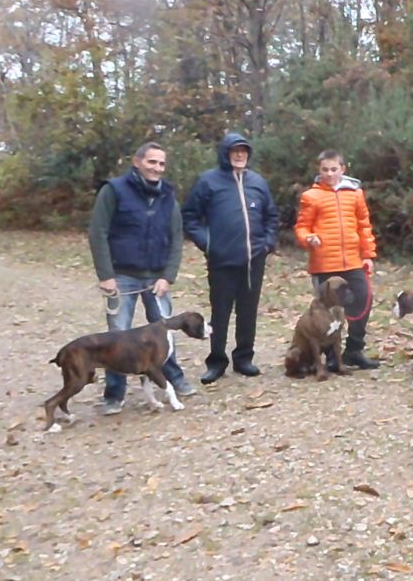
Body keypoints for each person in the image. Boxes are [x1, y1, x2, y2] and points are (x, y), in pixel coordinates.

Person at [88, 141, 197, 414]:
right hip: (121, 275)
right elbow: (97, 233)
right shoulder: (113, 191)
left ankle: (173, 379)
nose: (157, 168)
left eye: (161, 163)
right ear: (137, 162)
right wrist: (106, 274)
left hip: (156, 278)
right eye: (152, 162)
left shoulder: (168, 196)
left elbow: (176, 239)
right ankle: (114, 394)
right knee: (117, 337)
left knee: (166, 333)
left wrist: (168, 276)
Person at [183, 132, 279, 384]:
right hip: (221, 261)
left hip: (253, 260)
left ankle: (244, 358)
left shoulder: (258, 182)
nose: (239, 155)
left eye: (244, 151)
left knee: (248, 312)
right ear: (225, 153)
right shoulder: (208, 182)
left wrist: (268, 243)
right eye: (235, 150)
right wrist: (208, 243)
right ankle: (216, 361)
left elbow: (272, 216)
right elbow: (190, 217)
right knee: (221, 313)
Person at [294, 149, 379, 370]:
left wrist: (368, 254)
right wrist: (307, 238)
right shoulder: (311, 196)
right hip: (324, 263)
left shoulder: (355, 193)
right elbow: (302, 227)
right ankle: (331, 356)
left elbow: (364, 225)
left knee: (363, 299)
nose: (330, 174)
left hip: (352, 260)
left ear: (343, 169)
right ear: (319, 170)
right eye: (325, 170)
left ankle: (354, 349)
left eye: (334, 169)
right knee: (327, 310)